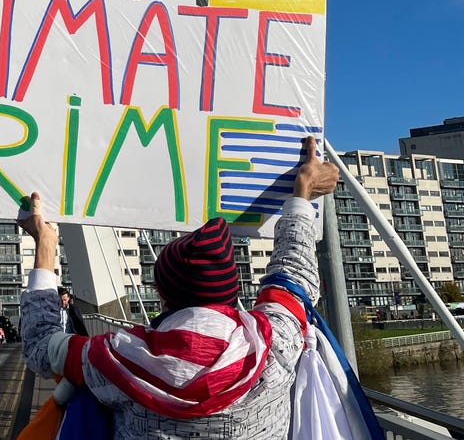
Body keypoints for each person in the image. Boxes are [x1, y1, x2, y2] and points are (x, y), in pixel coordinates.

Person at [18, 136, 338, 439]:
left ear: (162, 293)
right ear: (230, 290)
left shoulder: (112, 359)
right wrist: (302, 192)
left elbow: (40, 345)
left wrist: (45, 245)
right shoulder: (275, 345)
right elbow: (295, 272)